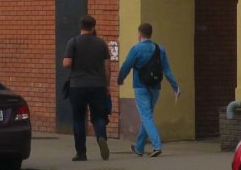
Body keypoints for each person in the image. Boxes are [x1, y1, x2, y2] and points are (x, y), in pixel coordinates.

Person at [116, 22, 180, 157]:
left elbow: (126, 66)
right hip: (155, 87)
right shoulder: (160, 49)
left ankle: (157, 145)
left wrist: (120, 79)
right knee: (148, 116)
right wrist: (175, 87)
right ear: (151, 34)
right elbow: (167, 70)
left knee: (146, 116)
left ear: (139, 34)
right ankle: (139, 147)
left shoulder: (136, 49)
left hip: (140, 87)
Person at [60, 14, 111, 161]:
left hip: (78, 86)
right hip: (98, 85)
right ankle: (101, 137)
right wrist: (107, 85)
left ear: (81, 27)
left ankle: (81, 153)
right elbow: (107, 67)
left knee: (78, 119)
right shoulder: (101, 43)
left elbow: (66, 63)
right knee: (99, 116)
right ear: (93, 27)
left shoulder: (73, 42)